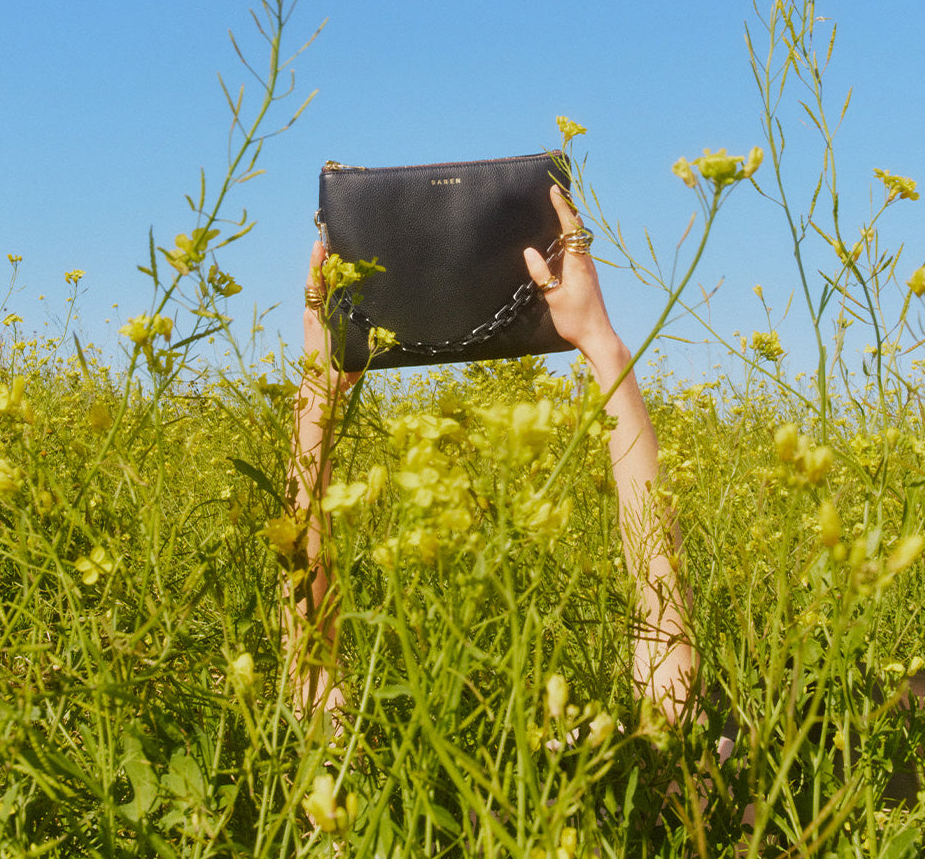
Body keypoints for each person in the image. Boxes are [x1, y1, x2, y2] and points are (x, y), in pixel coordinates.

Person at [291, 185, 694, 723]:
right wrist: (600, 340)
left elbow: (311, 664)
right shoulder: (663, 788)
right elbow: (661, 605)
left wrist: (319, 388)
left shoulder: (355, 793)